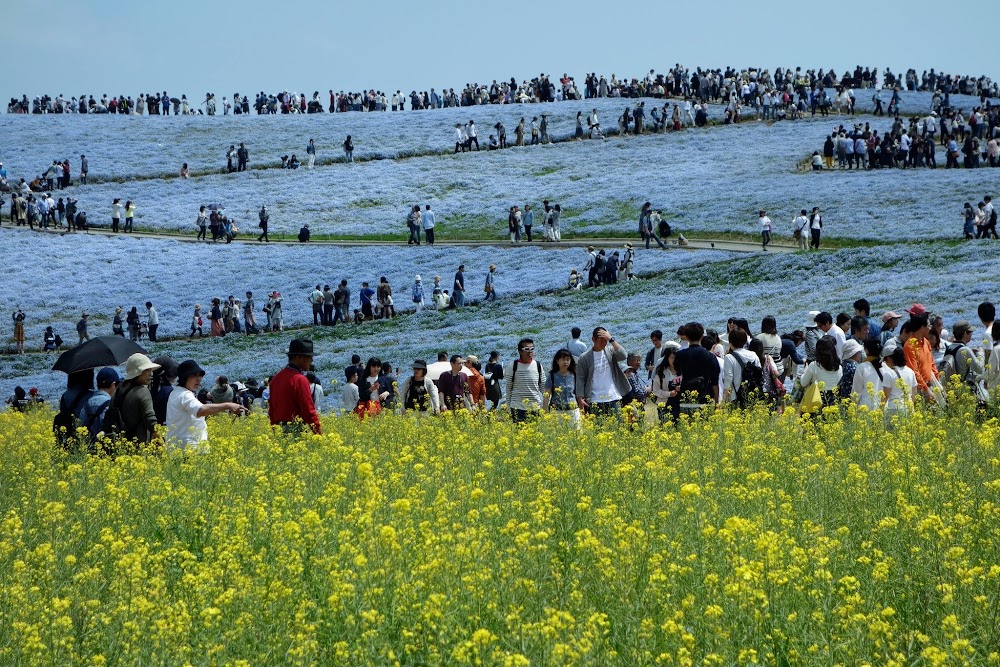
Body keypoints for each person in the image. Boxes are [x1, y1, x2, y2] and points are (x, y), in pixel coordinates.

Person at [166, 360, 246, 451]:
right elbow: (200, 410)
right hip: (189, 449)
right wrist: (228, 405)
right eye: (194, 376)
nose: (198, 379)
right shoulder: (185, 395)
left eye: (199, 375)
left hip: (180, 448)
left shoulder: (175, 392)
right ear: (185, 377)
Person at [268, 339, 322, 434]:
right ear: (298, 357)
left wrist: (275, 431)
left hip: (279, 430)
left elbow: (272, 410)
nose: (311, 360)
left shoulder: (276, 378)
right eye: (309, 357)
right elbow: (308, 410)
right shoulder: (300, 380)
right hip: (296, 430)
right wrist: (319, 433)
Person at [575, 327, 629, 418]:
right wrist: (580, 397)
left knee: (618, 427)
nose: (604, 343)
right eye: (601, 340)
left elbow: (624, 355)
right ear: (593, 339)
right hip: (595, 399)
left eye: (605, 340)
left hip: (613, 397)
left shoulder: (610, 351)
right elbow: (580, 379)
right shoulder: (584, 358)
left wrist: (611, 339)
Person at [674, 322, 721, 411]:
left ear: (686, 337)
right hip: (705, 398)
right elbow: (715, 381)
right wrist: (717, 402)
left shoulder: (680, 355)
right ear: (702, 336)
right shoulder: (710, 356)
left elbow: (677, 373)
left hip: (686, 398)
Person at [117, 353, 162, 445]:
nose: (151, 374)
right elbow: (151, 421)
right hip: (140, 446)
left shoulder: (119, 390)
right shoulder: (143, 392)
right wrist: (162, 444)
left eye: (151, 370)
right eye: (147, 370)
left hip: (121, 444)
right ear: (137, 372)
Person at [505, 338, 544, 422]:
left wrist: (544, 405)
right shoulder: (513, 366)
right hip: (518, 407)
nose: (530, 351)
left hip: (535, 407)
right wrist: (509, 407)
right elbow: (508, 388)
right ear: (520, 352)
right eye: (527, 349)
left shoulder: (538, 365)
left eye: (532, 349)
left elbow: (543, 386)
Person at [800, 337, 842, 409]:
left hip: (818, 400)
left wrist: (805, 370)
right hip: (835, 401)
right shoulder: (839, 367)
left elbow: (803, 383)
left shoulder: (814, 365)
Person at [542, 349, 581, 426]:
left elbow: (578, 392)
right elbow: (547, 394)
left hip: (573, 411)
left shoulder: (574, 375)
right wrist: (545, 411)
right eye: (563, 359)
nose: (565, 362)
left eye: (567, 359)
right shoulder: (552, 376)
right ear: (557, 361)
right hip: (557, 412)